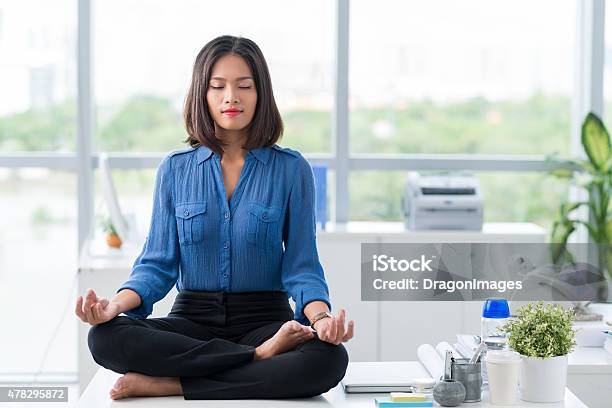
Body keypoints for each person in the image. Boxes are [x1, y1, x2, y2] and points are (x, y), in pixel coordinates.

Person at [74, 35, 354, 400]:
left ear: (261, 94)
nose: (231, 98)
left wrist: (321, 320)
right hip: (193, 318)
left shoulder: (291, 169)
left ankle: (172, 384)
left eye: (245, 86)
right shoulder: (175, 169)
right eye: (217, 86)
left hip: (266, 318)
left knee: (327, 359)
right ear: (201, 94)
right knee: (104, 337)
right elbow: (156, 265)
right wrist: (114, 305)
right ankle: (258, 357)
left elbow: (302, 266)